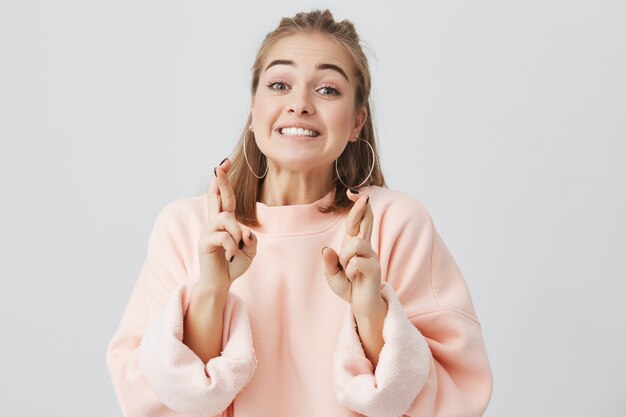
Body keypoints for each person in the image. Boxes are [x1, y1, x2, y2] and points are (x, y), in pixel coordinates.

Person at [106, 9, 492, 417]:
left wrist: (371, 311)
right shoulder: (186, 228)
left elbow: (453, 396)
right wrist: (209, 292)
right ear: (253, 108)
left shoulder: (395, 223)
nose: (300, 105)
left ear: (357, 121)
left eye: (327, 90)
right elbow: (154, 400)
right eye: (279, 84)